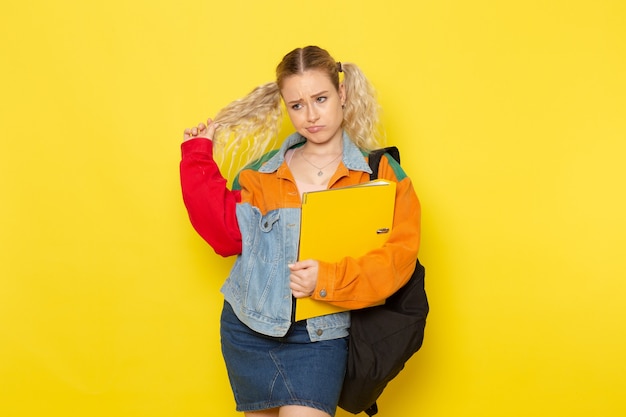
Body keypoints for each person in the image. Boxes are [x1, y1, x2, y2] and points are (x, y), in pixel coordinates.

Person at [179, 46, 421, 417]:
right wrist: (197, 156)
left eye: (320, 99)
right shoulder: (263, 172)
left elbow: (398, 258)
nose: (310, 116)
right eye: (296, 105)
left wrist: (328, 278)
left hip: (320, 338)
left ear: (342, 94)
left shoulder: (380, 174)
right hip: (248, 330)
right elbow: (226, 235)